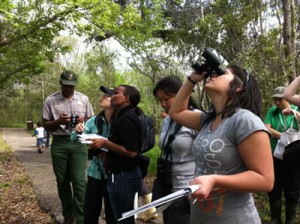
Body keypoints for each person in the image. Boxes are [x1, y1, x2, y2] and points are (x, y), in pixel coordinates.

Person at [169, 66, 274, 224]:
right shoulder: (208, 120)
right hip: (202, 217)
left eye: (222, 73)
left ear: (238, 87)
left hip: (235, 218)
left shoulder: (245, 120)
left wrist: (215, 180)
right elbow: (176, 112)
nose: (213, 75)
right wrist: (191, 80)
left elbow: (265, 180)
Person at [42, 70, 94, 224]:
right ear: (61, 83)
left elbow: (91, 121)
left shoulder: (83, 99)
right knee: (62, 181)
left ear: (75, 85)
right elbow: (45, 124)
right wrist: (58, 122)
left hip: (78, 142)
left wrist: (82, 122)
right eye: (66, 85)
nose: (69, 89)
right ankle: (68, 217)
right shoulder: (50, 100)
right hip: (59, 142)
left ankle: (81, 218)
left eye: (71, 86)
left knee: (79, 181)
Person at [88, 85, 142, 224]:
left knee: (123, 219)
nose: (112, 96)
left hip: (124, 177)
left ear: (126, 98)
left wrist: (104, 143)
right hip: (120, 174)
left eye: (116, 93)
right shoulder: (124, 116)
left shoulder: (126, 119)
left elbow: (131, 152)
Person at [152, 75, 198, 224]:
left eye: (167, 99)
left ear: (182, 94)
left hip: (186, 190)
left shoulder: (197, 118)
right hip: (167, 188)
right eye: (160, 100)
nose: (163, 104)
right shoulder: (168, 120)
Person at [71, 85, 116, 224]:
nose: (102, 97)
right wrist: (78, 130)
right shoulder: (94, 120)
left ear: (116, 99)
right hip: (94, 173)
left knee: (112, 214)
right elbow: (73, 139)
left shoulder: (121, 120)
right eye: (103, 94)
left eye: (107, 95)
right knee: (90, 212)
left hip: (113, 174)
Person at [264, 86, 300, 224]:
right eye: (275, 99)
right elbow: (266, 128)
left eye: (280, 99)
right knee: (275, 187)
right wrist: (284, 137)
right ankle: (275, 218)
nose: (277, 102)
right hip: (276, 155)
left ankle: (290, 219)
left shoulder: (297, 108)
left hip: (294, 156)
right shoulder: (272, 111)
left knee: (293, 188)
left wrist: (294, 114)